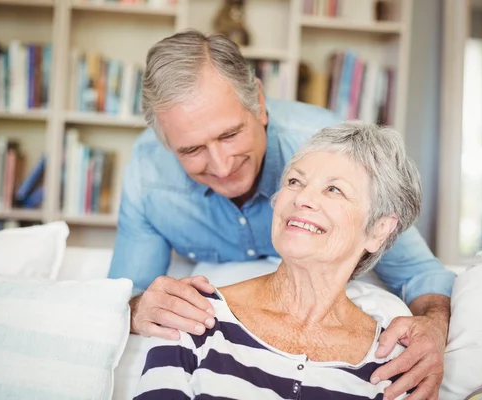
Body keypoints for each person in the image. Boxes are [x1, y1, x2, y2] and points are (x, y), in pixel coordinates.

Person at [109, 29, 456, 399]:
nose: (222, 166)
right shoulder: (150, 173)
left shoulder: (325, 152)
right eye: (192, 150)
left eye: (230, 135)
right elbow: (126, 294)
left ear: (259, 102)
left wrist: (434, 326)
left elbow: (420, 272)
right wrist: (136, 307)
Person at [133, 121, 423, 400]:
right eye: (295, 181)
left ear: (378, 229)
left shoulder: (395, 362)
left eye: (334, 189)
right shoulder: (194, 313)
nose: (302, 198)